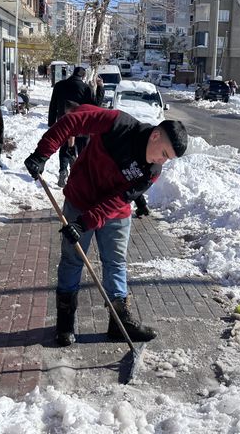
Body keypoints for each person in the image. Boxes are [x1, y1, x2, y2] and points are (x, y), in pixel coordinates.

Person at [24, 105, 188, 347]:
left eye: (168, 159)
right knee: (72, 259)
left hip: (114, 212)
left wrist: (85, 223)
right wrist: (42, 154)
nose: (162, 161)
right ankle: (65, 323)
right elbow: (73, 121)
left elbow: (120, 199)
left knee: (115, 262)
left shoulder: (153, 170)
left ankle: (119, 323)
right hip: (80, 199)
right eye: (163, 153)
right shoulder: (119, 124)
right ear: (155, 135)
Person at [48, 67, 95, 187]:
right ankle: (80, 176)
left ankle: (63, 171)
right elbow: (94, 107)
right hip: (82, 126)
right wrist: (99, 89)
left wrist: (52, 123)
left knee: (65, 148)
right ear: (83, 76)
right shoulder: (86, 88)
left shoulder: (59, 85)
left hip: (64, 124)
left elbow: (53, 105)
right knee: (83, 151)